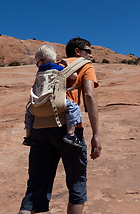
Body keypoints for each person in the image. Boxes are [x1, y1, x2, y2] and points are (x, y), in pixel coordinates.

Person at [18, 38, 101, 214]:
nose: (91, 55)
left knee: (35, 189)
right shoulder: (84, 65)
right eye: (88, 51)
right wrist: (96, 134)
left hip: (40, 128)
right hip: (67, 128)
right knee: (77, 185)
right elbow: (89, 95)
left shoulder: (47, 66)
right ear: (78, 51)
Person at [23, 44, 83, 148]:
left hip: (38, 104)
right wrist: (67, 64)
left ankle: (28, 136)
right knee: (74, 108)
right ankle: (71, 134)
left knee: (29, 113)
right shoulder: (57, 67)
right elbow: (74, 76)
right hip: (54, 103)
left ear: (40, 61)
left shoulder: (40, 71)